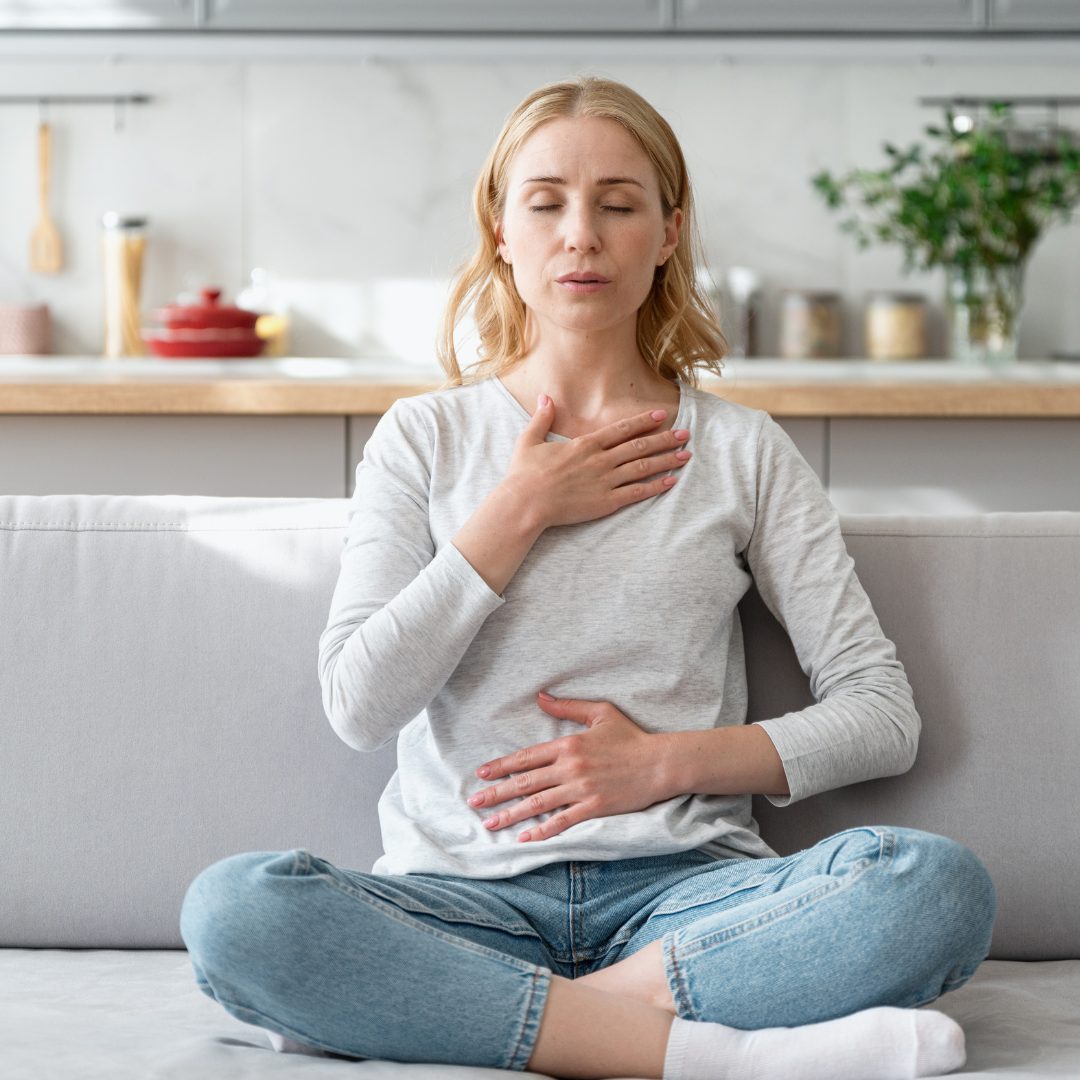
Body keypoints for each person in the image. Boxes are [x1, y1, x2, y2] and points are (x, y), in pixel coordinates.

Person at [179, 75, 996, 1080]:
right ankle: (719, 1056)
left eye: (618, 205)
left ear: (667, 234)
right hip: (463, 902)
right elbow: (359, 702)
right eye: (547, 202)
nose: (582, 235)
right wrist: (518, 509)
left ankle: (492, 1019)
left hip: (687, 902)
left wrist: (667, 765)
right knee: (235, 912)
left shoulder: (742, 451)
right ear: (500, 228)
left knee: (932, 887)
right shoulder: (424, 440)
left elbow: (881, 714)